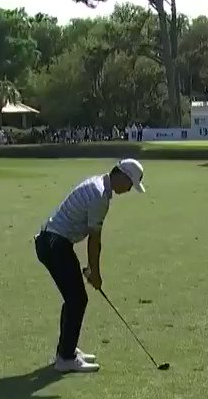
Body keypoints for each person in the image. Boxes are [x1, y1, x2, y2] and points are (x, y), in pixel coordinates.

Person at [34, 159, 146, 373]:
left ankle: (66, 351)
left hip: (53, 242)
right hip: (54, 244)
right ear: (120, 175)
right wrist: (95, 273)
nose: (129, 189)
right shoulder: (99, 195)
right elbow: (95, 240)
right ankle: (65, 358)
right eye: (130, 184)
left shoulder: (98, 184)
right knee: (77, 299)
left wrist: (90, 270)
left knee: (74, 298)